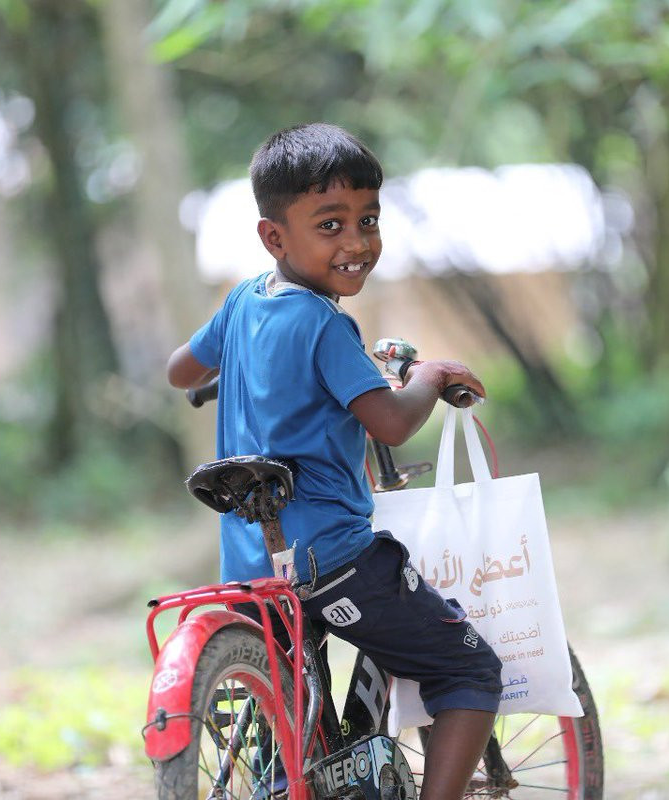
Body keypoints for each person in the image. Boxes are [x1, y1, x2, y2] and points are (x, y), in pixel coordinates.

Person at [167, 122, 501, 800]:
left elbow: (181, 371)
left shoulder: (242, 300)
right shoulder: (325, 325)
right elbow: (391, 421)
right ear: (275, 237)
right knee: (470, 671)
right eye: (330, 224)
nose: (356, 242)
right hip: (332, 560)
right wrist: (430, 376)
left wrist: (240, 370)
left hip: (251, 569)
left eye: (368, 220)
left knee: (292, 729)